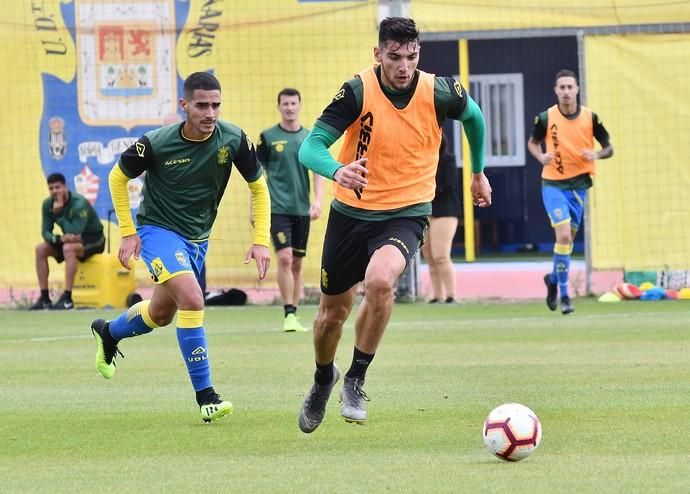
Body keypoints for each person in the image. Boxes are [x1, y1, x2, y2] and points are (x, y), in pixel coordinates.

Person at [296, 17, 492, 433]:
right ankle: (322, 379)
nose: (404, 66)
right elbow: (310, 148)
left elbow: (474, 119)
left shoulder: (439, 90)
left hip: (407, 212)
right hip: (350, 213)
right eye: (395, 56)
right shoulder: (356, 92)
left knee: (382, 281)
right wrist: (337, 171)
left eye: (412, 56)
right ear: (378, 54)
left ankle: (356, 378)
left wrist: (478, 172)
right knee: (331, 316)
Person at [89, 72, 271, 423]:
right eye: (202, 105)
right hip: (158, 232)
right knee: (193, 300)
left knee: (161, 314)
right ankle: (207, 397)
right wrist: (128, 233)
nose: (210, 113)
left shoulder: (233, 138)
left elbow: (259, 188)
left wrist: (260, 239)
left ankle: (108, 332)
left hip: (197, 240)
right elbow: (117, 176)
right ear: (183, 105)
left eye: (216, 105)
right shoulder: (155, 143)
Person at [527, 69, 613, 315]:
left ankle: (553, 280)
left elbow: (609, 147)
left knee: (567, 243)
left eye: (569, 87)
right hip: (553, 184)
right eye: (561, 87)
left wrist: (596, 154)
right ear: (556, 90)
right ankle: (566, 296)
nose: (566, 91)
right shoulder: (546, 117)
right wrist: (541, 156)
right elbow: (533, 143)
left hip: (578, 187)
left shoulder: (590, 118)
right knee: (563, 237)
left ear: (577, 89)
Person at [257, 88, 323, 332]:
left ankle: (295, 314)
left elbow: (317, 171)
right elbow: (257, 176)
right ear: (279, 107)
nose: (289, 108)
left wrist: (318, 201)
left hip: (301, 210)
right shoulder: (267, 137)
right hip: (277, 209)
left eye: (293, 103)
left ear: (299, 105)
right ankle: (288, 313)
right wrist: (256, 208)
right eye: (285, 104)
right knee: (284, 258)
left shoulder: (309, 138)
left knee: (296, 262)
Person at [31, 173, 105, 310]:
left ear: (65, 187)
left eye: (57, 187)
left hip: (93, 238)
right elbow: (45, 231)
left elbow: (76, 231)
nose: (54, 191)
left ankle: (67, 298)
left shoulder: (79, 202)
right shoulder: (47, 204)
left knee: (68, 248)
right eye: (51, 188)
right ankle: (44, 298)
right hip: (68, 240)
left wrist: (58, 214)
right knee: (40, 249)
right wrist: (58, 239)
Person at [422, 132, 461, 304]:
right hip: (426, 210)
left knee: (441, 255)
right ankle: (437, 295)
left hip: (445, 211)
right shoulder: (421, 160)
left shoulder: (448, 159)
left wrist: (426, 192)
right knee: (429, 255)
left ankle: (451, 294)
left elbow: (448, 184)